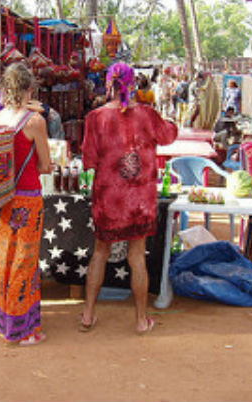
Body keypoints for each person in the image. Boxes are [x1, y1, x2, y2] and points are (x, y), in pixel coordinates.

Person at [79, 62, 178, 335]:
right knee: (137, 256)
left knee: (100, 252)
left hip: (108, 197)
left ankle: (88, 315)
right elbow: (169, 135)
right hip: (139, 199)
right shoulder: (147, 114)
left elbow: (89, 160)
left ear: (108, 83)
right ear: (133, 83)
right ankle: (141, 319)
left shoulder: (95, 118)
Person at [0, 63, 53, 346]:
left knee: (2, 258)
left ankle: (1, 320)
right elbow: (46, 165)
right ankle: (23, 329)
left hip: (0, 198)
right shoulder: (34, 121)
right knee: (24, 262)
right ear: (29, 90)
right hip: (27, 197)